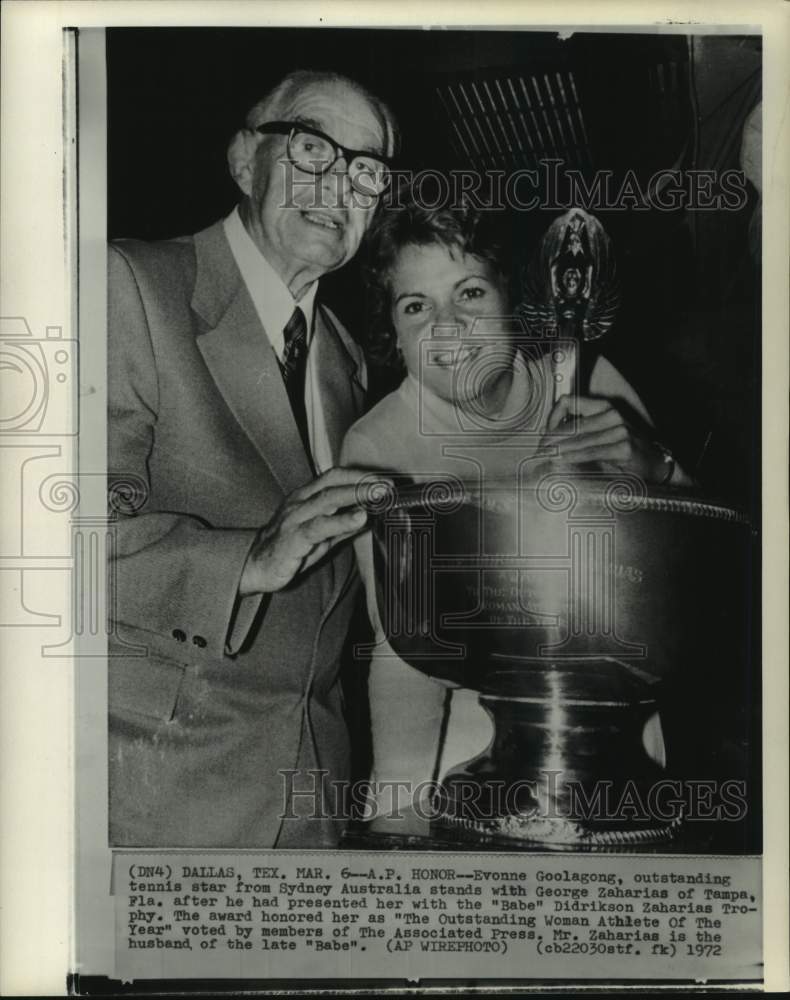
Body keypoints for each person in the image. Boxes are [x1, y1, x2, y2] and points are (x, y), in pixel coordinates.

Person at [107, 70, 397, 848]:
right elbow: (40, 543)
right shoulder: (127, 283)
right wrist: (245, 563)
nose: (340, 186)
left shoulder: (344, 358)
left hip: (312, 806)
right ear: (244, 162)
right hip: (155, 797)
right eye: (312, 149)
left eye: (366, 171)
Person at [340, 198, 691, 822]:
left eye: (470, 292)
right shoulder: (378, 445)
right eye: (416, 306)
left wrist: (655, 467)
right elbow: (405, 647)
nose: (447, 326)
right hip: (470, 739)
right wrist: (400, 804)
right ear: (394, 335)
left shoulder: (586, 377)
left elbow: (691, 567)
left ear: (512, 299)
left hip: (615, 723)